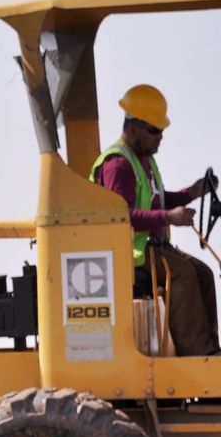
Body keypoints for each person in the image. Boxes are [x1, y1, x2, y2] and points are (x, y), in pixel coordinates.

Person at [90, 84, 219, 356]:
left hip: (155, 248)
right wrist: (170, 218)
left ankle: (211, 348)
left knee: (204, 273)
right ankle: (199, 355)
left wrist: (193, 193)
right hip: (133, 255)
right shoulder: (118, 165)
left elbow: (156, 200)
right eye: (154, 131)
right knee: (182, 274)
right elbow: (122, 216)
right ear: (134, 128)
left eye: (162, 131)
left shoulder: (143, 159)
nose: (160, 138)